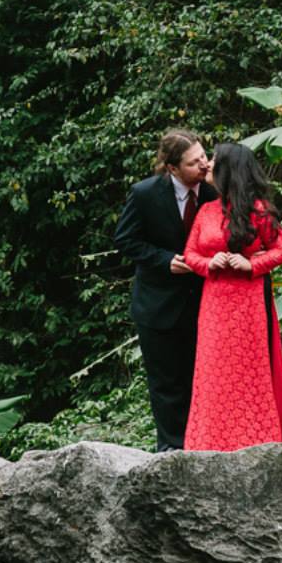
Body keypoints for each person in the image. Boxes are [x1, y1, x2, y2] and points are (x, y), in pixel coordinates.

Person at [182, 141, 282, 452]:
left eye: (214, 160)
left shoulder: (258, 210)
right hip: (214, 302)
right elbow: (190, 254)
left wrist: (251, 264)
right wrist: (209, 263)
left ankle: (256, 440)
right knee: (212, 372)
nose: (207, 165)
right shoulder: (206, 211)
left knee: (249, 371)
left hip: (248, 302)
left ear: (227, 169)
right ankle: (209, 442)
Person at [110, 130, 214, 451]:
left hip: (206, 302)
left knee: (202, 379)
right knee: (166, 384)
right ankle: (172, 449)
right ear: (172, 168)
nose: (204, 164)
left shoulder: (214, 190)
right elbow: (125, 240)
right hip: (158, 304)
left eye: (203, 156)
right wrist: (164, 260)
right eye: (194, 162)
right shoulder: (144, 194)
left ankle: (204, 443)